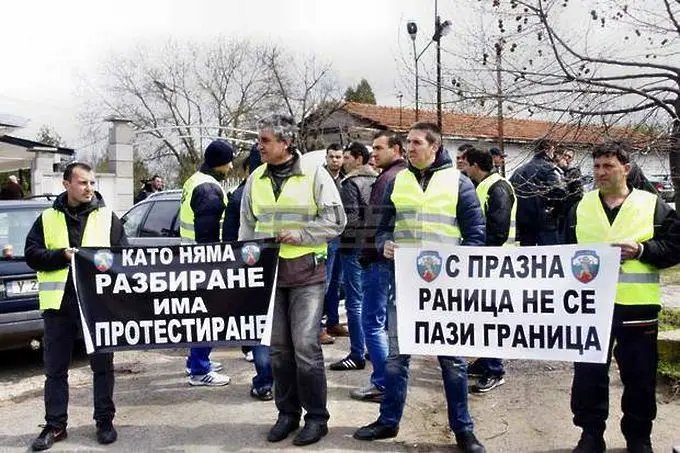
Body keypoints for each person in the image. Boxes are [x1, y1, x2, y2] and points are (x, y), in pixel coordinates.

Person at [354, 122, 487, 453]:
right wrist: (384, 244)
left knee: (452, 361)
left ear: (434, 146)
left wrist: (454, 264)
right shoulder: (398, 181)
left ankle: (463, 430)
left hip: (447, 289)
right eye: (408, 143)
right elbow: (383, 228)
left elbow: (475, 237)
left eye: (416, 143)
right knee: (398, 358)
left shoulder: (459, 183)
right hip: (405, 284)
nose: (410, 148)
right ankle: (388, 421)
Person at [564, 141, 680, 453]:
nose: (600, 173)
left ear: (625, 169)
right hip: (589, 307)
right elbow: (562, 255)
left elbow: (676, 245)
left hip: (637, 307)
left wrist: (643, 250)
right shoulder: (580, 207)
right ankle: (590, 435)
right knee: (588, 375)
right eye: (597, 166)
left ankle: (638, 438)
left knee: (640, 377)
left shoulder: (651, 205)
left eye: (608, 166)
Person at [239, 114, 346, 446]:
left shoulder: (315, 174)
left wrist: (301, 234)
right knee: (279, 351)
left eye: (265, 141)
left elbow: (336, 220)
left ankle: (316, 418)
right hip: (270, 275)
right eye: (260, 141)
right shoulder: (256, 178)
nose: (259, 146)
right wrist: (246, 262)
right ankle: (287, 414)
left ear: (285, 143)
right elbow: (247, 225)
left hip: (307, 272)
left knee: (305, 347)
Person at [24, 162, 128, 451]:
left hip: (97, 306)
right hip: (59, 306)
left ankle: (105, 422)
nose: (89, 188)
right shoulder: (47, 218)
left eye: (92, 183)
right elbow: (32, 254)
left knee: (102, 368)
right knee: (55, 370)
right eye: (82, 183)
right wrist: (60, 256)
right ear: (66, 184)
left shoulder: (107, 217)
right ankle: (55, 426)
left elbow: (124, 256)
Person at [349, 130, 407, 403]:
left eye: (379, 148)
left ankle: (382, 383)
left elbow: (376, 224)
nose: (374, 153)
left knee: (372, 323)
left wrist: (367, 255)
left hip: (380, 261)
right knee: (384, 325)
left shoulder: (387, 179)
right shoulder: (400, 176)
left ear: (396, 149)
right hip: (391, 260)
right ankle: (388, 383)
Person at [180, 140, 234, 386]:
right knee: (208, 315)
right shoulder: (209, 189)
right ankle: (200, 370)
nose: (231, 167)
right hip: (205, 261)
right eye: (228, 162)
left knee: (199, 312)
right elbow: (208, 233)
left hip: (192, 257)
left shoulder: (195, 180)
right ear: (219, 164)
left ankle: (196, 361)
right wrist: (215, 262)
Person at [222, 145, 273, 402]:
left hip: (252, 268)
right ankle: (277, 383)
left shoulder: (240, 195)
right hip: (283, 266)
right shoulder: (281, 189)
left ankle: (265, 383)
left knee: (260, 328)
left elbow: (231, 240)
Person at [464, 146, 516, 393]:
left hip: (496, 262)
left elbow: (498, 230)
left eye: (465, 164)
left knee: (490, 317)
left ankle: (495, 370)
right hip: (488, 260)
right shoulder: (486, 185)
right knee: (481, 315)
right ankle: (485, 362)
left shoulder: (498, 188)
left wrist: (479, 253)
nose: (463, 168)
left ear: (475, 165)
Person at [329, 142, 377, 371]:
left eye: (347, 157)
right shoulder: (377, 179)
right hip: (373, 246)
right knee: (371, 300)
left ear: (358, 159)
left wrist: (342, 238)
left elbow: (350, 220)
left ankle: (357, 352)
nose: (344, 161)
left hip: (353, 247)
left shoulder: (350, 183)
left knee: (354, 302)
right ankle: (371, 348)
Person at [510, 138, 566, 246]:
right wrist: (556, 215)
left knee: (527, 258)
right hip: (546, 225)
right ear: (548, 150)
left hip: (524, 225)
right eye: (553, 151)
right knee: (550, 258)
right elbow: (560, 193)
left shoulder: (519, 171)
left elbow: (511, 194)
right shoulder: (550, 169)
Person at [321, 143, 348, 344]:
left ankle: (333, 321)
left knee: (337, 283)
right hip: (326, 238)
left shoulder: (346, 179)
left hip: (343, 237)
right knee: (324, 281)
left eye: (339, 157)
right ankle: (319, 327)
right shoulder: (320, 178)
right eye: (332, 157)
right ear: (327, 157)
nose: (335, 160)